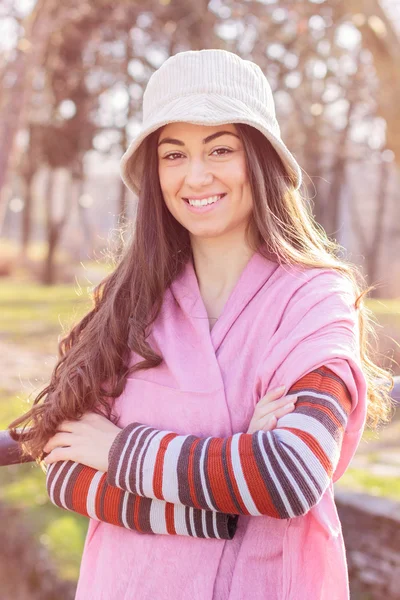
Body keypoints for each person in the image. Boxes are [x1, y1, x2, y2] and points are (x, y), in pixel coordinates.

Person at [9, 49, 393, 600]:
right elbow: (67, 471)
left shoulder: (314, 298)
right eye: (173, 153)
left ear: (259, 160)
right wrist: (221, 502)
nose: (195, 175)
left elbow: (290, 473)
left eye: (220, 149)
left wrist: (118, 452)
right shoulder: (129, 301)